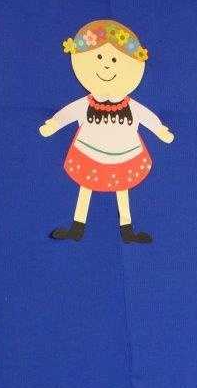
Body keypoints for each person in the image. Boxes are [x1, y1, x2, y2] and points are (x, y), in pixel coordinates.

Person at [41, 20, 173, 243]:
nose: (107, 66)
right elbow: (69, 113)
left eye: (113, 60)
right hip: (89, 150)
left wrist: (159, 129)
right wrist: (54, 124)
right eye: (100, 57)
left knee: (123, 188)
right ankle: (77, 227)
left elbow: (146, 116)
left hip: (125, 152)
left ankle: (127, 229)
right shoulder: (87, 103)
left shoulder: (130, 105)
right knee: (86, 185)